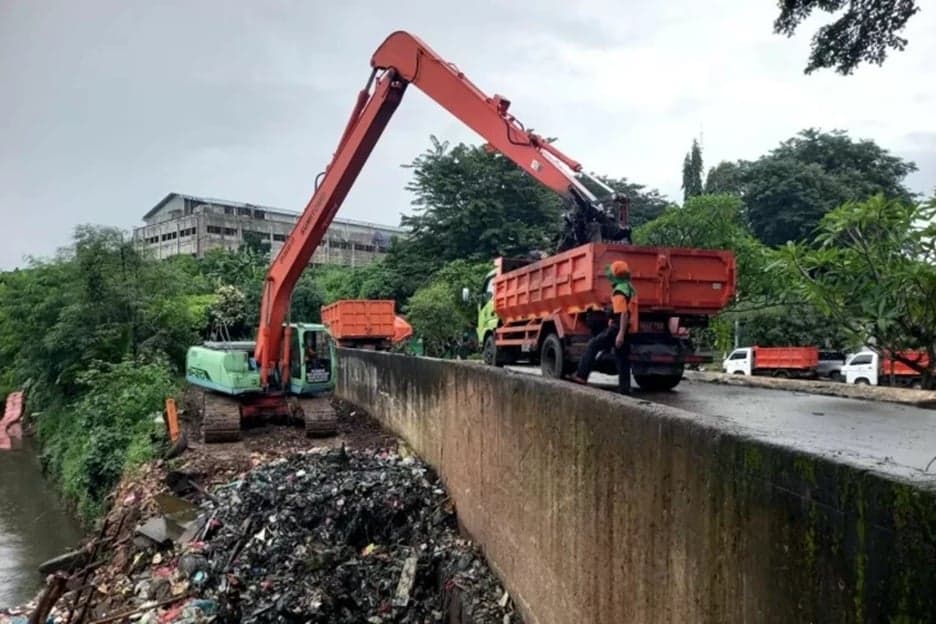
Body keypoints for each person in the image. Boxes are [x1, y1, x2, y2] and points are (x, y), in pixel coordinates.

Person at [568, 260, 638, 394]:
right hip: (623, 327)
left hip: (617, 328)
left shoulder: (618, 291)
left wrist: (620, 334)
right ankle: (625, 388)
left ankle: (581, 376)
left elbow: (623, 313)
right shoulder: (628, 286)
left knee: (593, 345)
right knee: (622, 358)